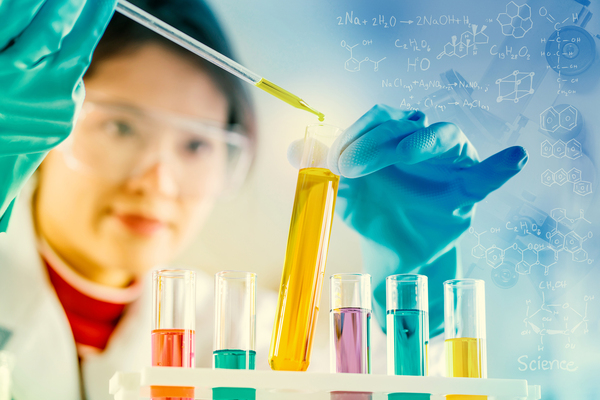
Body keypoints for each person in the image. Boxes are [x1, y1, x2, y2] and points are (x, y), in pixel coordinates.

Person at [0, 0, 528, 399]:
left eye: (196, 144)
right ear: (44, 120)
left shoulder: (254, 339)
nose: (158, 182)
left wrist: (420, 304)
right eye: (120, 127)